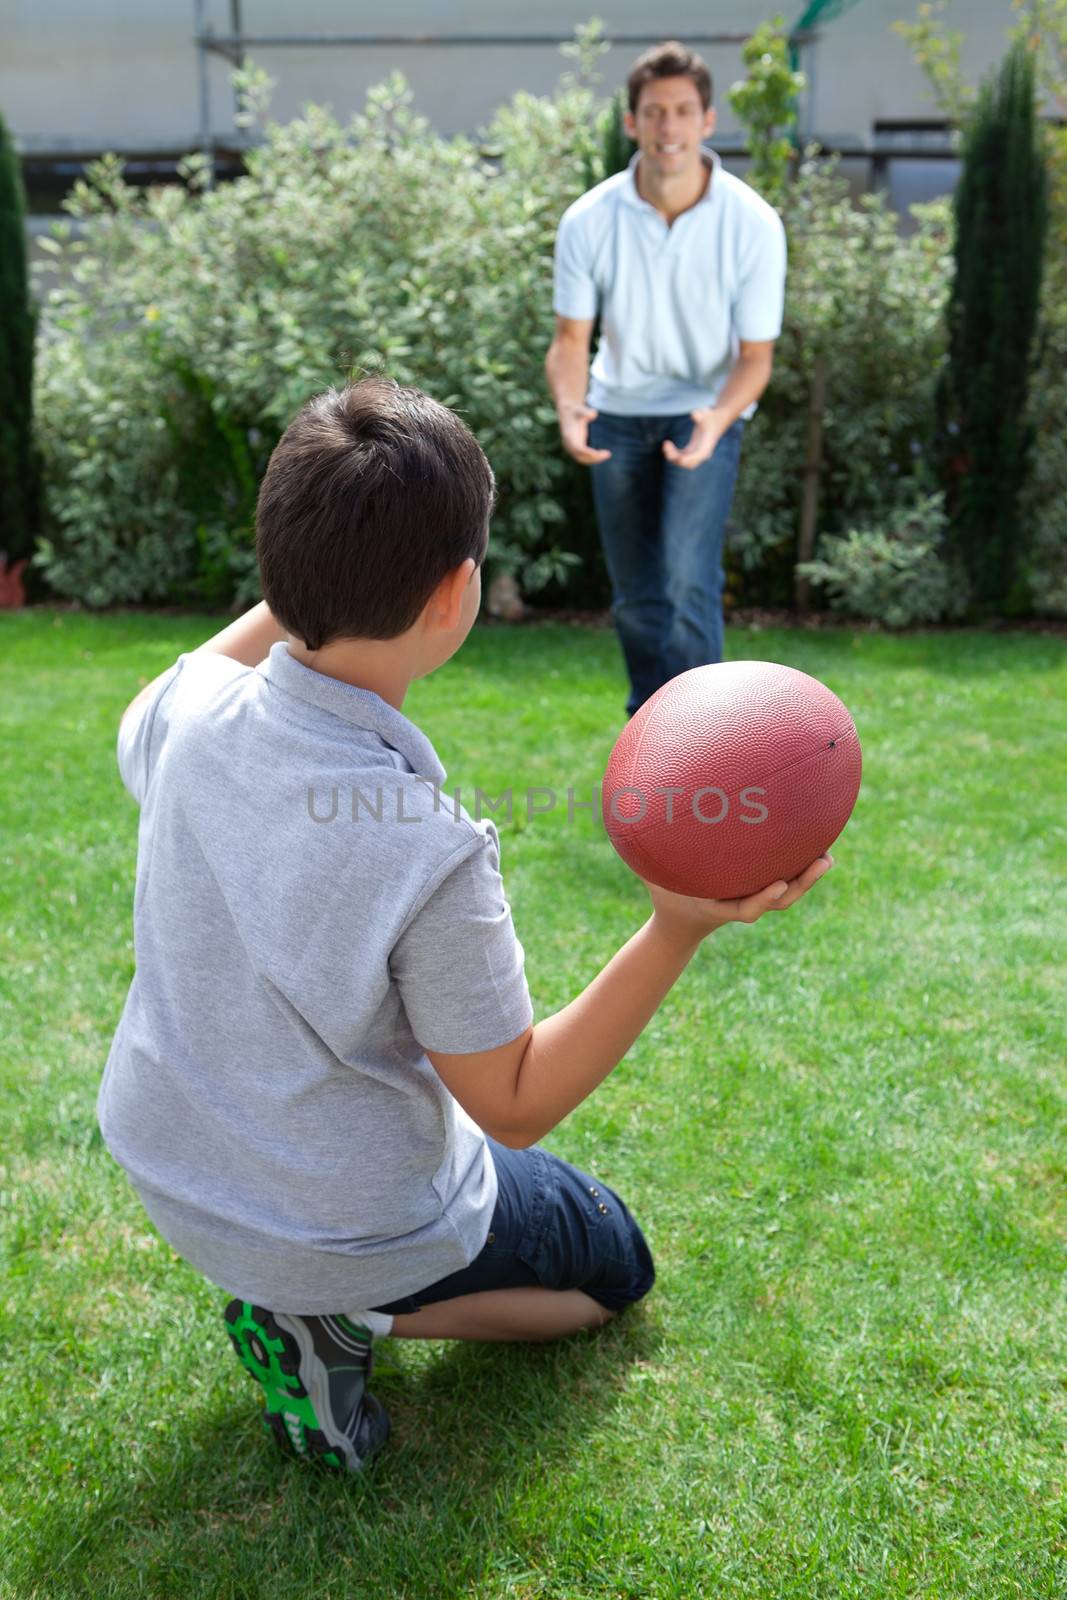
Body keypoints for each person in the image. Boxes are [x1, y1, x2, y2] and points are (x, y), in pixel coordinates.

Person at [98, 377, 832, 1473]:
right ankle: (342, 1321)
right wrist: (675, 926)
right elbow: (515, 1100)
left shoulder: (185, 711)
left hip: (179, 1167)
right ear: (456, 595)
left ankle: (310, 1301)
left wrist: (313, 551)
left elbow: (230, 652)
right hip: (338, 1216)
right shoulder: (424, 845)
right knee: (608, 1269)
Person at [546, 40, 788, 718]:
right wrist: (571, 407)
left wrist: (717, 418)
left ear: (707, 121)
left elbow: (755, 356)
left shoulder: (753, 223)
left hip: (705, 411)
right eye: (653, 112)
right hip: (614, 411)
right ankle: (649, 732)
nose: (667, 127)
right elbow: (570, 340)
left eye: (682, 110)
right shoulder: (588, 220)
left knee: (687, 579)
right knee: (635, 591)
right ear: (631, 123)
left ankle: (704, 733)